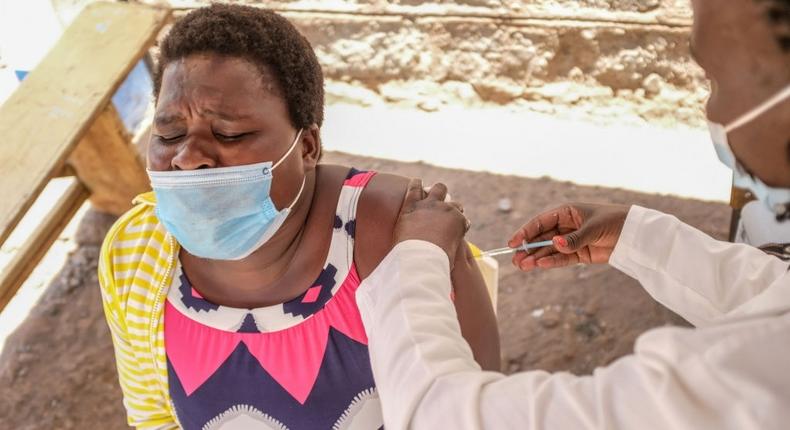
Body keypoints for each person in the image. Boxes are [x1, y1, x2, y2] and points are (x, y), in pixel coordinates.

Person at [355, 0, 790, 428]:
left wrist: (415, 255)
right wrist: (635, 235)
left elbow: (439, 417)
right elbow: (773, 295)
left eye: (716, 82)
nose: (712, 112)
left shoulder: (751, 379)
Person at [97, 5, 499, 429]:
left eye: (229, 133)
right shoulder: (136, 253)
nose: (187, 157)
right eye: (169, 134)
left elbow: (476, 413)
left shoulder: (399, 234)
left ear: (307, 147)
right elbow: (155, 418)